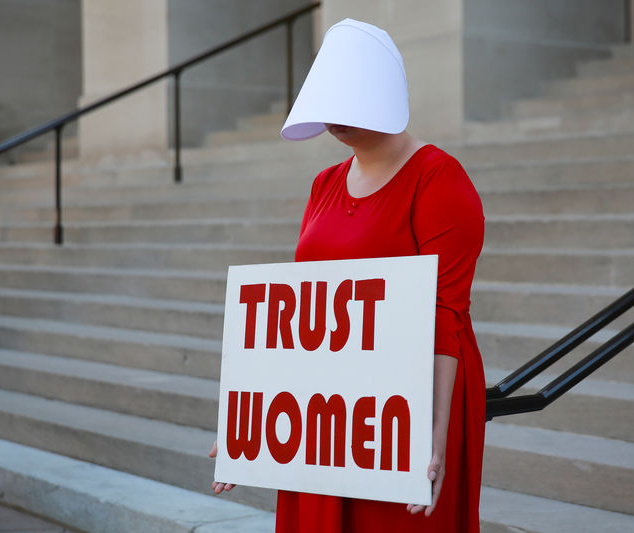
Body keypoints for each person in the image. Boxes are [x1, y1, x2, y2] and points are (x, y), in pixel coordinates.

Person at [211, 18, 485, 532]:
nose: (332, 123)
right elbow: (301, 312)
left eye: (345, 106)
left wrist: (433, 431)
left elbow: (445, 314)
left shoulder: (438, 180)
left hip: (406, 400)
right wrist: (250, 420)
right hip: (331, 405)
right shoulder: (324, 183)